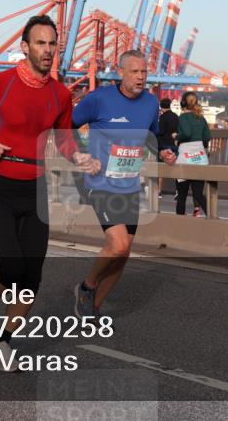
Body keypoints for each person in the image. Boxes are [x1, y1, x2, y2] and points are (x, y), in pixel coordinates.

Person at [0, 15, 98, 370]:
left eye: (53, 44)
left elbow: (65, 139)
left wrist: (80, 155)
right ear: (25, 47)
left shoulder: (61, 94)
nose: (48, 50)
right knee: (12, 265)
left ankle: (4, 341)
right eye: (41, 43)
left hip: (34, 187)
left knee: (32, 275)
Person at [71, 50, 176, 319]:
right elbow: (66, 125)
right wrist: (81, 152)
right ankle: (86, 286)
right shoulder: (99, 99)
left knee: (124, 253)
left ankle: (92, 309)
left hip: (129, 185)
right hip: (100, 182)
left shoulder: (151, 103)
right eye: (135, 72)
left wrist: (165, 149)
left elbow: (156, 134)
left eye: (144, 72)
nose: (141, 77)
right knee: (117, 245)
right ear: (121, 73)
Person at [175, 91, 211, 217]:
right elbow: (207, 136)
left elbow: (186, 133)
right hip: (200, 158)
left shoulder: (183, 117)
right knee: (198, 194)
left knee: (182, 195)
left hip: (185, 157)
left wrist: (176, 136)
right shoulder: (201, 118)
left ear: (183, 102)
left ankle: (179, 221)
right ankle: (212, 216)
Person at [157, 97, 179, 196]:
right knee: (176, 169)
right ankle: (178, 192)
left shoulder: (162, 117)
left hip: (164, 145)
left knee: (161, 169)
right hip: (174, 145)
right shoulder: (176, 116)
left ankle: (159, 191)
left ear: (161, 107)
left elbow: (160, 131)